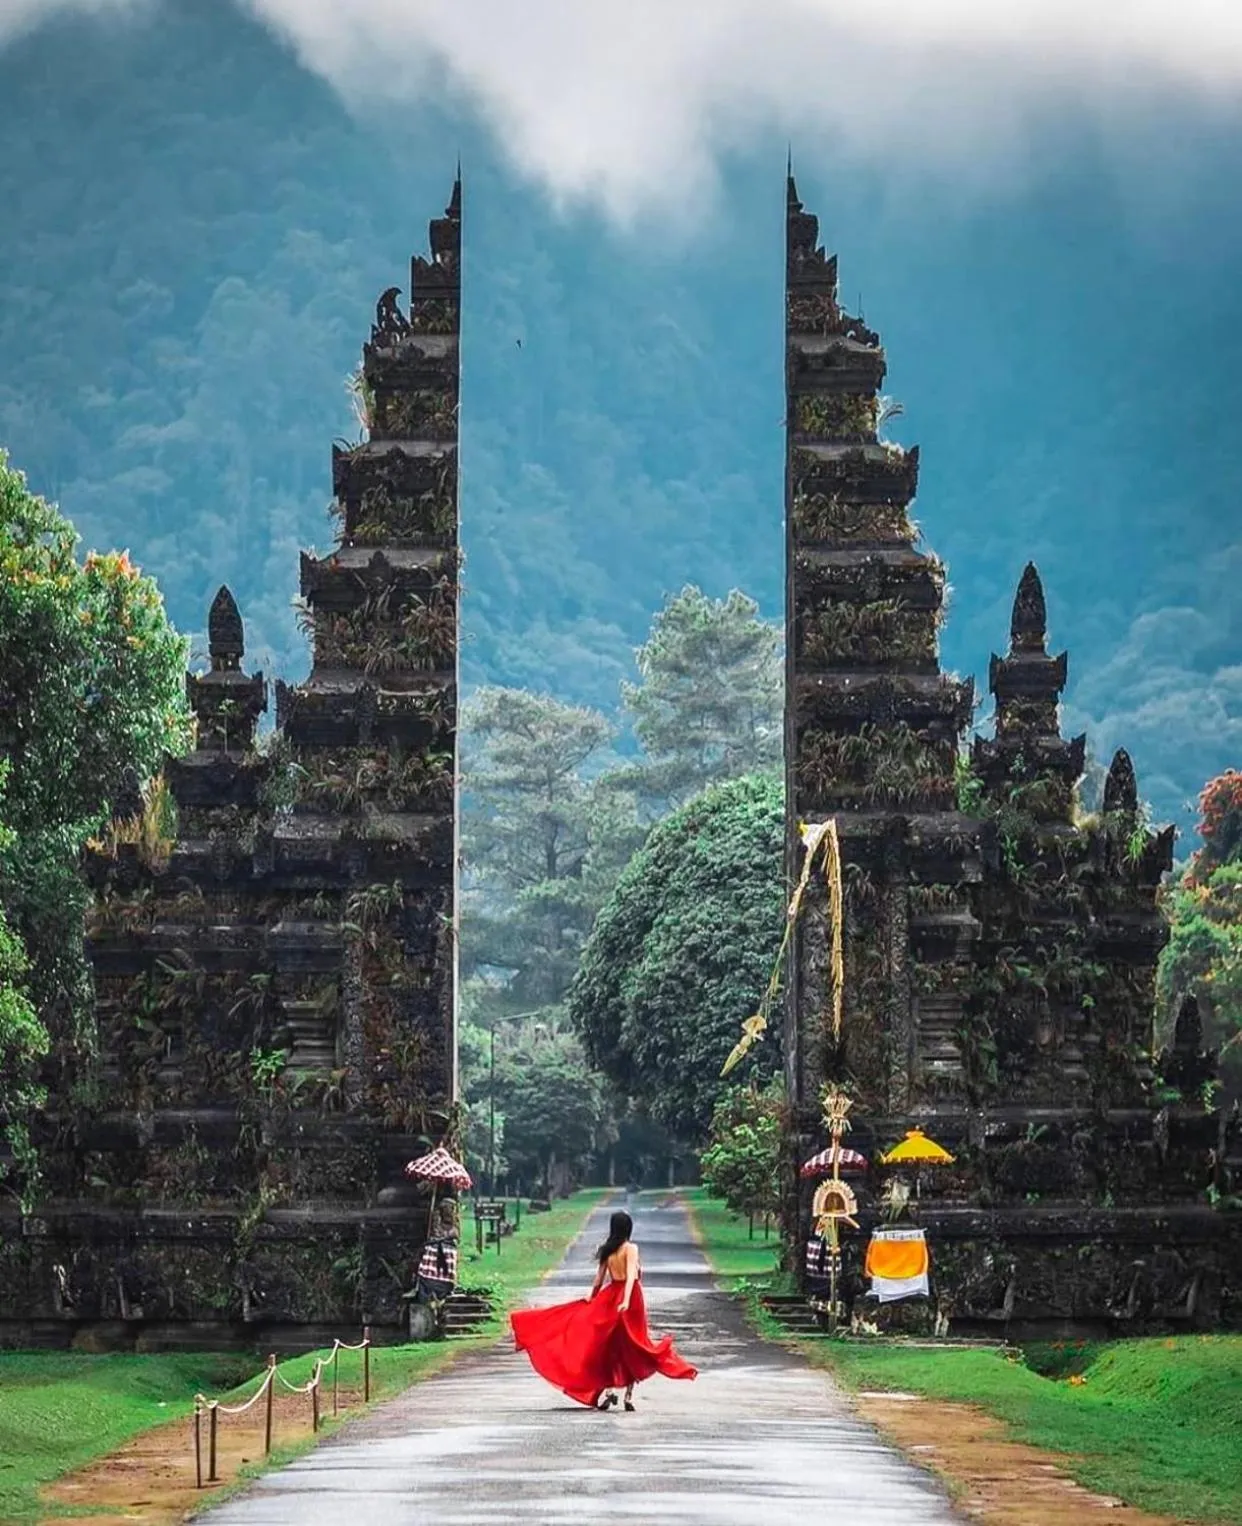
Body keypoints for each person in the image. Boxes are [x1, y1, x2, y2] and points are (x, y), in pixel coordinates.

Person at [510, 1208, 697, 1411]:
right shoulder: (630, 1248)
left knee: (610, 1346)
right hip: (630, 1298)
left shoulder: (607, 1249)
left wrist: (592, 1296)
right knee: (634, 1345)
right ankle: (628, 1395)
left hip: (609, 1297)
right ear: (628, 1229)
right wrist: (626, 1300)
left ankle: (609, 1390)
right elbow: (631, 1277)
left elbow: (599, 1279)